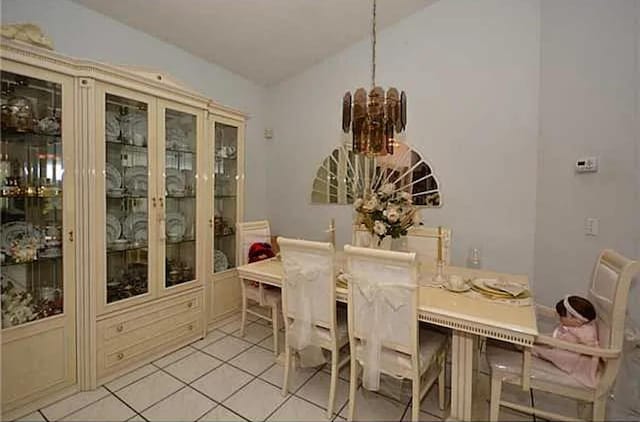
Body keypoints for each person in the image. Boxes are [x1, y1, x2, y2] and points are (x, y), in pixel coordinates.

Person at [533, 295, 600, 388]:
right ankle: (534, 345)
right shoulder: (575, 327)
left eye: (562, 316)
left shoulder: (583, 332)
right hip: (567, 349)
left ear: (576, 319)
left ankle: (534, 349)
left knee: (551, 353)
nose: (560, 318)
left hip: (575, 360)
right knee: (547, 344)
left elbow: (588, 344)